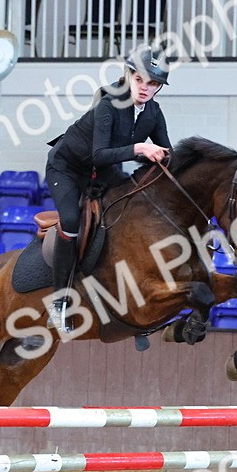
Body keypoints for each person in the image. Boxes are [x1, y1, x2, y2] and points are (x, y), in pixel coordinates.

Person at [43, 46, 172, 331]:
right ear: (128, 75)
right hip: (68, 168)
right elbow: (99, 153)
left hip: (103, 172)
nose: (145, 88)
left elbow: (167, 153)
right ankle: (59, 303)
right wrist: (139, 148)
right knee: (72, 221)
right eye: (139, 80)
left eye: (153, 84)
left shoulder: (153, 112)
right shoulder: (108, 103)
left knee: (134, 207)